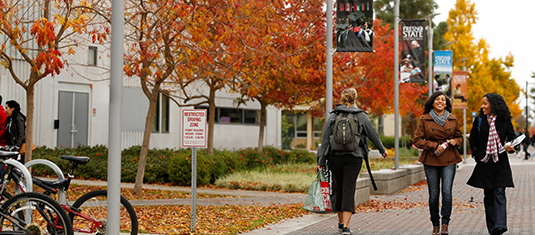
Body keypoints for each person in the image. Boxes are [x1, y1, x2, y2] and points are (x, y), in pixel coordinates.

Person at [317, 88, 387, 235]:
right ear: (355, 98)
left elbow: (325, 140)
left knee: (338, 188)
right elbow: (372, 133)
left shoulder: (333, 115)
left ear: (341, 98)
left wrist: (321, 161)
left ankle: (341, 222)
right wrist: (382, 150)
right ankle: (346, 227)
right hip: (354, 157)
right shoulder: (360, 115)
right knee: (349, 188)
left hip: (335, 157)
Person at [412, 91, 463, 235]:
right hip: (431, 158)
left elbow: (460, 138)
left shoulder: (453, 119)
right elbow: (417, 140)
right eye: (437, 99)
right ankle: (435, 224)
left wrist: (454, 141)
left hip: (449, 158)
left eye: (443, 100)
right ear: (432, 102)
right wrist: (434, 146)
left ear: (446, 103)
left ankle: (445, 223)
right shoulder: (424, 119)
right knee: (433, 194)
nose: (440, 101)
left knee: (447, 192)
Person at [468, 93, 515, 235]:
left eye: (485, 104)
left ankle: (500, 225)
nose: (482, 107)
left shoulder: (505, 121)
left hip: (500, 163)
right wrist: (479, 156)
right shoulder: (480, 121)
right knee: (488, 195)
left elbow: (512, 139)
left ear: (494, 105)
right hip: (485, 164)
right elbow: (473, 140)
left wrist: (510, 147)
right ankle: (492, 228)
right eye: (482, 103)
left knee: (499, 193)